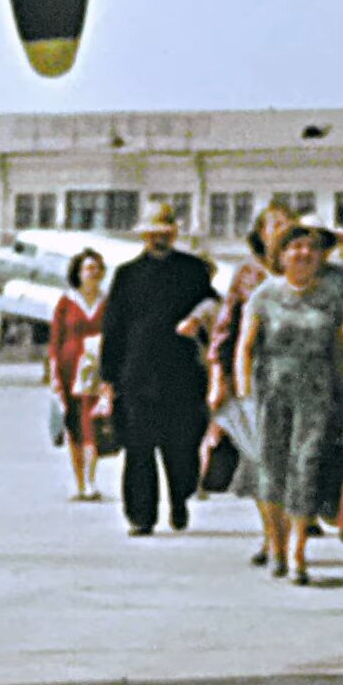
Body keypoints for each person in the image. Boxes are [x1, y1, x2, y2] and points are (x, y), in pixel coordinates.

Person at [99, 204, 218, 535]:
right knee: (138, 448)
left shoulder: (193, 270)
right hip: (136, 373)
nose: (158, 239)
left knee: (181, 446)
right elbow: (113, 327)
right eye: (152, 234)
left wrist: (198, 320)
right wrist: (108, 378)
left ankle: (180, 499)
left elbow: (213, 307)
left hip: (183, 373)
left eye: (164, 234)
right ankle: (141, 516)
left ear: (174, 234)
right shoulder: (127, 274)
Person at [241, 221, 343, 583]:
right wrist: (243, 390)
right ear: (282, 255)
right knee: (271, 466)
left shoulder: (330, 296)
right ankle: (276, 544)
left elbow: (337, 346)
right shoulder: (265, 294)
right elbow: (246, 344)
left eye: (311, 248)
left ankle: (298, 551)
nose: (304, 254)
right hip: (273, 390)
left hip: (316, 392)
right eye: (296, 247)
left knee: (306, 466)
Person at [208, 203, 298, 530]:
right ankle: (273, 534)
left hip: (299, 373)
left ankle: (290, 529)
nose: (280, 231)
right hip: (255, 373)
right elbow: (224, 329)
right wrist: (219, 378)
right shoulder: (248, 274)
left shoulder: (305, 267)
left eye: (287, 225)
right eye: (274, 225)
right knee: (262, 458)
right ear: (261, 233)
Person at [49, 248, 109, 500]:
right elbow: (55, 339)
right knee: (74, 425)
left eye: (96, 269)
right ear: (78, 273)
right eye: (88, 269)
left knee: (91, 424)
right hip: (69, 369)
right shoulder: (66, 301)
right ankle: (79, 482)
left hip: (97, 370)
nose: (92, 273)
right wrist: (54, 373)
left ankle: (91, 481)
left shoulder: (107, 301)